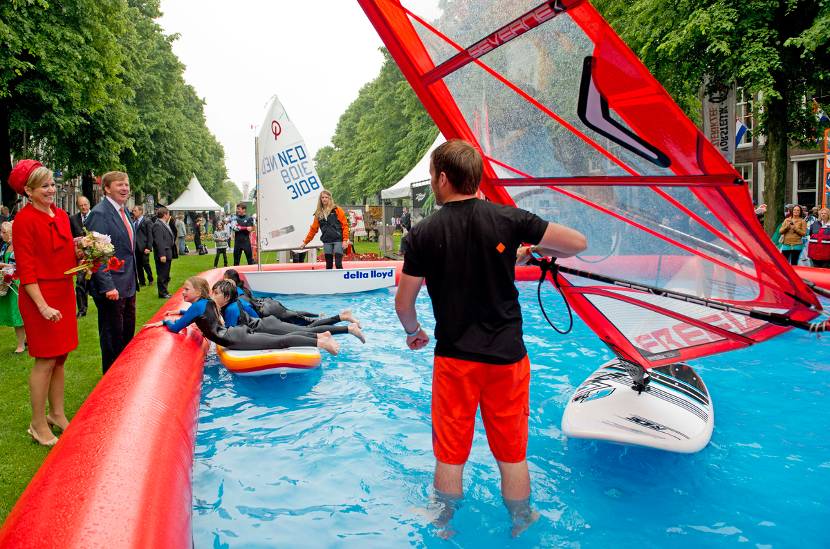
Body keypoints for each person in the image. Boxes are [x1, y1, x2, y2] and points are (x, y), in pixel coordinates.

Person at [394, 140, 587, 536]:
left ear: (443, 179)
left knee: (450, 456)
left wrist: (414, 333)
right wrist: (529, 249)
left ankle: (444, 524)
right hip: (508, 360)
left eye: (432, 176)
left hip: (455, 361)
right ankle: (522, 520)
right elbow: (577, 244)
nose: (432, 182)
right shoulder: (509, 219)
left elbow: (403, 302)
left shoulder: (422, 234)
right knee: (513, 456)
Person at [8, 160, 78, 446]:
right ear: (28, 190)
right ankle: (37, 424)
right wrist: (42, 306)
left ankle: (56, 414)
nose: (51, 189)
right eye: (45, 186)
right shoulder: (23, 221)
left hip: (63, 290)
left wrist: (88, 256)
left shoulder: (60, 214)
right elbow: (26, 270)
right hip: (40, 295)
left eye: (52, 184)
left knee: (61, 357)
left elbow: (66, 252)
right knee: (46, 359)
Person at [144, 276, 339, 355]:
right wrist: (179, 311)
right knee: (280, 339)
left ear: (198, 292)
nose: (183, 293)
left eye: (186, 289)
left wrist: (163, 321)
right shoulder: (207, 303)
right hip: (238, 332)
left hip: (234, 338)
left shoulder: (199, 306)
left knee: (279, 342)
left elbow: (177, 327)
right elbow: (204, 317)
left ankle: (321, 342)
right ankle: (320, 336)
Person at [85, 171, 139, 374]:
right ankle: (111, 381)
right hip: (112, 288)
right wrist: (108, 286)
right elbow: (96, 254)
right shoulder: (100, 213)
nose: (125, 188)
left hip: (128, 284)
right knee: (112, 338)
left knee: (126, 335)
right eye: (119, 185)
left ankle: (124, 377)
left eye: (126, 184)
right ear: (107, 188)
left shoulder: (123, 212)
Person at [222, 268, 359, 327]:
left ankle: (341, 317)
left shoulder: (236, 294)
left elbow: (251, 313)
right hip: (270, 304)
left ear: (230, 282)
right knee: (298, 317)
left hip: (269, 311)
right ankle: (323, 315)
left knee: (307, 325)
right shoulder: (243, 289)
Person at [301, 191, 350, 269]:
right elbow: (313, 229)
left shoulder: (337, 210)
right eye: (322, 197)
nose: (324, 199)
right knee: (328, 265)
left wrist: (345, 240)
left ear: (330, 198)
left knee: (338, 264)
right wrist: (305, 242)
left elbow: (345, 226)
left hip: (338, 240)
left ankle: (341, 280)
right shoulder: (318, 213)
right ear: (320, 199)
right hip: (327, 241)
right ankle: (329, 280)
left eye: (326, 197)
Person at [0, 221, 26, 353]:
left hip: (18, 282)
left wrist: (6, 266)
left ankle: (21, 345)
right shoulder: (5, 246)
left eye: (3, 232)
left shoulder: (19, 246)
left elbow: (22, 265)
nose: (1, 235)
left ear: (10, 233)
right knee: (14, 311)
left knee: (19, 313)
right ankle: (25, 340)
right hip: (7, 282)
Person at [69, 195, 92, 317]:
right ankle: (82, 309)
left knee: (97, 283)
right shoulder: (73, 219)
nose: (83, 207)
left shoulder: (97, 216)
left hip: (95, 256)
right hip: (81, 258)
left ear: (89, 205)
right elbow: (70, 237)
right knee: (80, 283)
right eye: (81, 205)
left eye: (85, 205)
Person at [151, 206, 176, 298]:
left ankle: (165, 291)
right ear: (165, 214)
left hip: (167, 252)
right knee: (162, 274)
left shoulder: (164, 223)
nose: (169, 215)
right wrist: (162, 254)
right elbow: (159, 241)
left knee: (166, 274)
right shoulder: (158, 225)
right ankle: (162, 293)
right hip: (163, 253)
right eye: (168, 213)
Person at [132, 205, 154, 287]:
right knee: (138, 265)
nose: (133, 212)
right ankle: (142, 281)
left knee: (145, 264)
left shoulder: (147, 221)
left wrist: (148, 247)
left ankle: (150, 279)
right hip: (136, 247)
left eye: (135, 211)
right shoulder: (133, 221)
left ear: (141, 211)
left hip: (144, 247)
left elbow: (150, 235)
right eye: (133, 211)